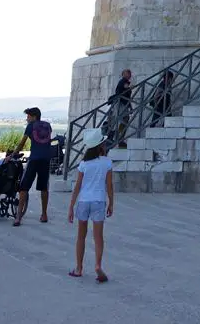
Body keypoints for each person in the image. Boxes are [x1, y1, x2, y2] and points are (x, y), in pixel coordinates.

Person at [68, 127, 114, 283]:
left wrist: (71, 207)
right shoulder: (107, 163)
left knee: (81, 236)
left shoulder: (84, 164)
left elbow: (78, 186)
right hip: (99, 201)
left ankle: (79, 268)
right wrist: (111, 203)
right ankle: (97, 265)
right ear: (101, 145)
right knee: (98, 237)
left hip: (83, 201)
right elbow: (109, 186)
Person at [13, 106, 52, 226]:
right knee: (44, 187)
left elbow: (22, 142)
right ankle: (44, 215)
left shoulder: (31, 126)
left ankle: (18, 217)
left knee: (23, 187)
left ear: (34, 116)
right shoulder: (47, 125)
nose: (27, 119)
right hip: (46, 159)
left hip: (34, 159)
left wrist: (13, 154)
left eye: (28, 116)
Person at [108, 68, 132, 148]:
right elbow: (123, 93)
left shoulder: (124, 82)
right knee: (124, 119)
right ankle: (117, 137)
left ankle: (117, 137)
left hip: (122, 103)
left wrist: (130, 106)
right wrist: (129, 88)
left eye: (129, 73)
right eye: (128, 73)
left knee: (123, 120)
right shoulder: (124, 81)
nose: (129, 74)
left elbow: (126, 95)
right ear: (123, 74)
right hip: (120, 103)